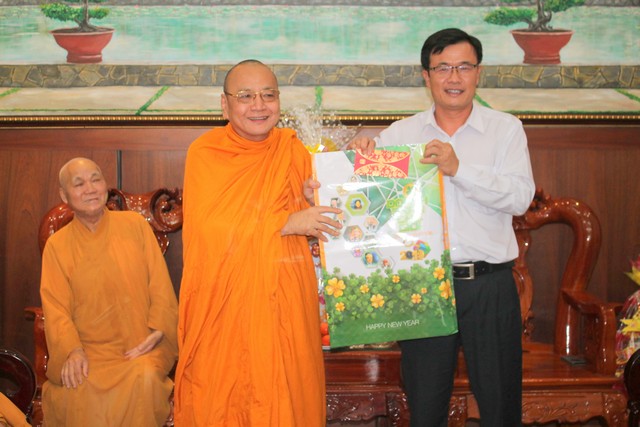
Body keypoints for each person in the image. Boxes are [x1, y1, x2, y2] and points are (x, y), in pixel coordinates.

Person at [173, 59, 373, 426]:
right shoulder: (206, 152)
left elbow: (327, 208)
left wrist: (355, 163)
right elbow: (211, 230)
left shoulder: (291, 150)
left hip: (286, 299)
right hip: (227, 304)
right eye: (245, 96)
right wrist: (288, 221)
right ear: (224, 105)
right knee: (227, 400)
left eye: (268, 95)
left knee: (288, 398)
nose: (258, 105)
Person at [353, 28, 535, 426]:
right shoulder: (401, 134)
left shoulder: (505, 129)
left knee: (501, 408)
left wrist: (459, 169)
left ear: (478, 72)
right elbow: (368, 198)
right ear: (426, 76)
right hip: (424, 286)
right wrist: (357, 159)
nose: (454, 77)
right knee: (425, 407)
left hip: (489, 286)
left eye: (464, 67)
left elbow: (520, 198)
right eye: (442, 68)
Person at [39, 157, 179, 427]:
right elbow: (56, 310)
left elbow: (160, 285)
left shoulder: (135, 225)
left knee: (145, 378)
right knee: (78, 385)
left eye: (96, 180)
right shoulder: (57, 246)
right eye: (79, 184)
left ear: (106, 185)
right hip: (87, 351)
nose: (90, 189)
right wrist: (72, 351)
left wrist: (159, 329)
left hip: (140, 346)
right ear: (64, 195)